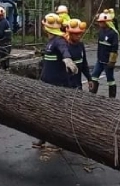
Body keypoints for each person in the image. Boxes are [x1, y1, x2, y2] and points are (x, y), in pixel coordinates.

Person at [34, 13, 77, 150]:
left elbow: (64, 50)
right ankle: (42, 138)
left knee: (56, 113)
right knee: (43, 112)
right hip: (45, 82)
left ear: (47, 27)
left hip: (57, 84)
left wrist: (68, 60)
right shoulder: (51, 41)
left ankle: (59, 141)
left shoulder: (58, 40)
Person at [90, 11, 120, 98]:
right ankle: (91, 94)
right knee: (94, 77)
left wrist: (112, 61)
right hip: (100, 60)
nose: (99, 24)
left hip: (108, 61)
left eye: (101, 22)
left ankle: (112, 97)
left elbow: (115, 48)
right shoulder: (101, 31)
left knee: (110, 79)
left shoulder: (113, 34)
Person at [63, 18, 92, 91]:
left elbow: (84, 64)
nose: (79, 36)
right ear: (70, 33)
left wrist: (89, 79)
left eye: (80, 34)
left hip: (78, 84)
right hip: (66, 85)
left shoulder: (80, 45)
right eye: (76, 34)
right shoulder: (64, 47)